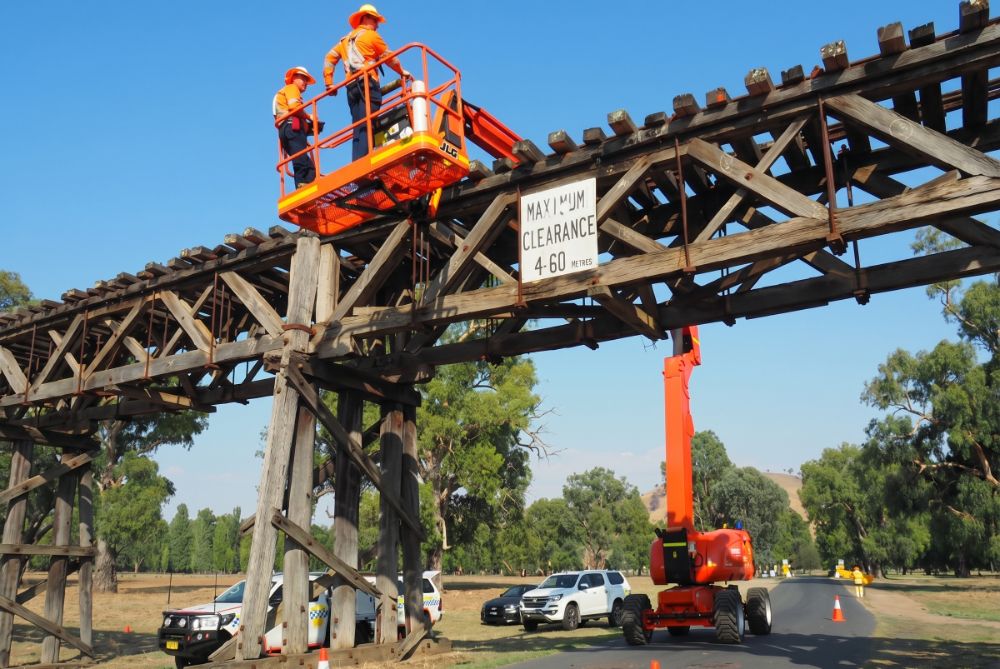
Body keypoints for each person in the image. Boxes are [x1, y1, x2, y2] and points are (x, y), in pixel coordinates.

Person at [323, 4, 411, 160]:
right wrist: (402, 71)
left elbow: (329, 57)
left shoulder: (345, 40)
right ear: (366, 18)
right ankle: (364, 160)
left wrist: (329, 82)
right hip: (367, 84)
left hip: (351, 88)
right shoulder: (371, 36)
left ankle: (357, 161)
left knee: (358, 125)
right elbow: (389, 57)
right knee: (367, 123)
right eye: (375, 20)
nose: (377, 25)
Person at [273, 66, 317, 188]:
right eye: (303, 79)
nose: (305, 83)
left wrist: (308, 127)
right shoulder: (292, 88)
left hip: (286, 129)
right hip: (292, 127)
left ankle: (307, 184)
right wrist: (309, 117)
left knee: (307, 164)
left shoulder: (283, 92)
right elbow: (294, 108)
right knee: (301, 159)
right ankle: (303, 186)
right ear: (294, 78)